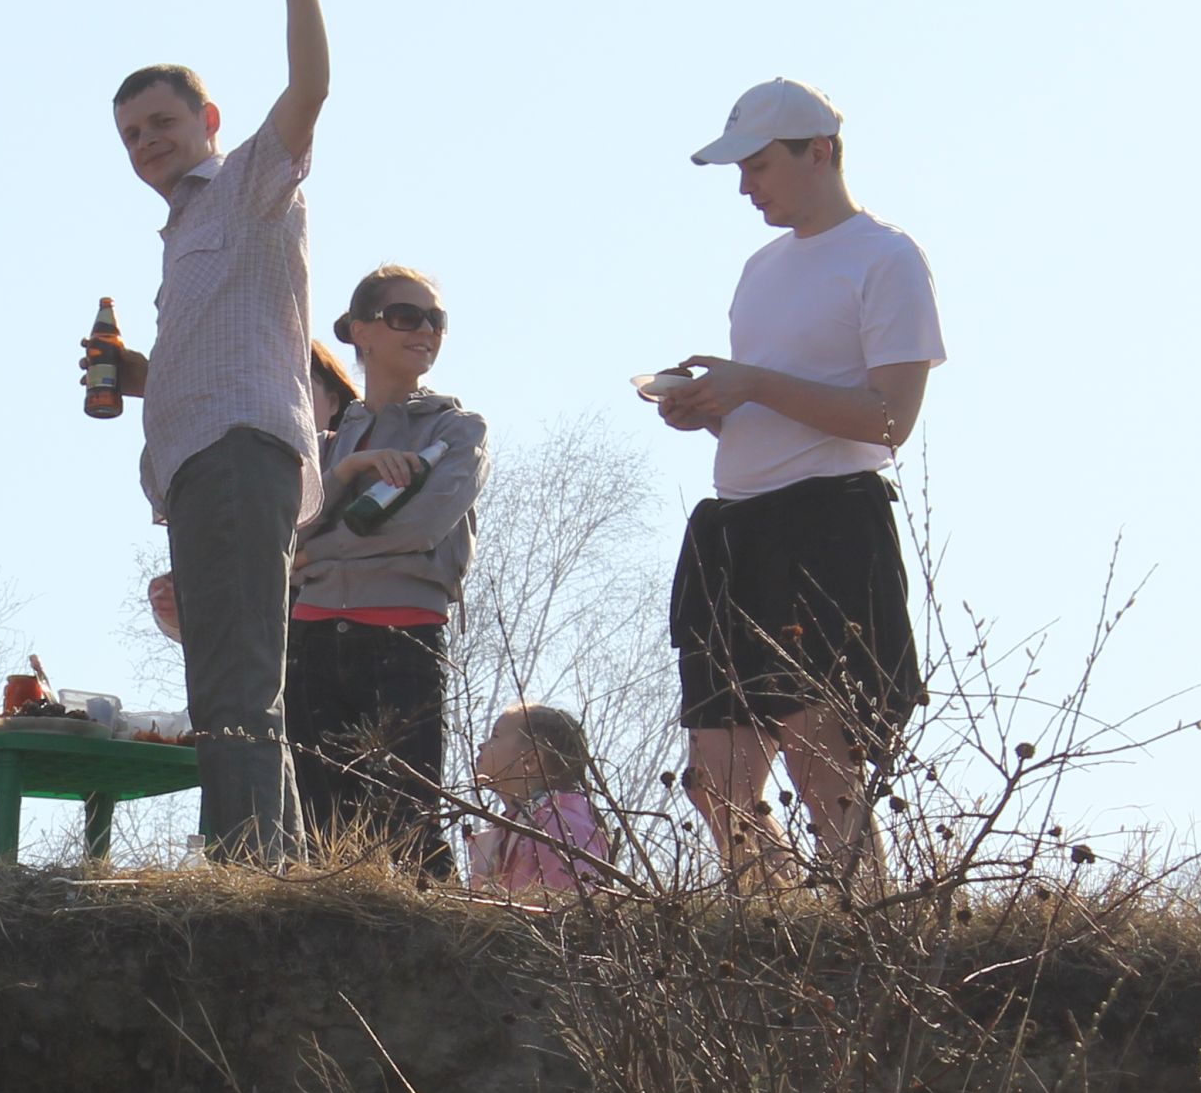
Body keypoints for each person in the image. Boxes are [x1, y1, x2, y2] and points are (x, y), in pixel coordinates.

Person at [90, 0, 351, 859]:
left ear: (206, 121)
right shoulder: (184, 232)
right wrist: (140, 375)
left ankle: (243, 860)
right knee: (227, 674)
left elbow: (312, 85)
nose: (146, 142)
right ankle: (267, 859)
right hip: (198, 459)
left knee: (239, 677)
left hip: (243, 452)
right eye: (128, 134)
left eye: (160, 122)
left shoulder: (246, 184)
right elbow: (222, 343)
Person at [643, 78, 944, 890]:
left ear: (822, 152)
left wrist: (753, 384)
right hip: (734, 529)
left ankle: (865, 934)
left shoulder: (887, 256)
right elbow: (769, 396)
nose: (747, 186)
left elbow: (889, 418)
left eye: (761, 165)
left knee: (824, 769)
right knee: (716, 782)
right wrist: (711, 407)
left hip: (830, 524)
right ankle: (777, 934)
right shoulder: (759, 268)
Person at [286, 265, 485, 873]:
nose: (424, 330)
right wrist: (346, 472)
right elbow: (285, 528)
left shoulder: (457, 429)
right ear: (360, 332)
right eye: (406, 316)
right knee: (319, 831)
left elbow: (422, 528)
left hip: (403, 636)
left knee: (408, 829)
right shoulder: (323, 443)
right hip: (310, 637)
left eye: (435, 320)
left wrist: (315, 553)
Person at [464, 704, 608, 900]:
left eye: (495, 736)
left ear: (530, 761)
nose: (482, 745)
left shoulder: (561, 826)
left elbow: (572, 910)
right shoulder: (507, 832)